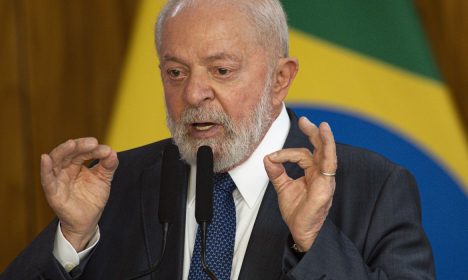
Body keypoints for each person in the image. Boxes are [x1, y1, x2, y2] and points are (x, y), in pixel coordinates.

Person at [1, 0, 435, 279]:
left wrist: (313, 242)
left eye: (221, 70)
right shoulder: (114, 186)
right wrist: (72, 240)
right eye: (176, 72)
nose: (193, 94)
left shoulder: (373, 187)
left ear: (280, 79)